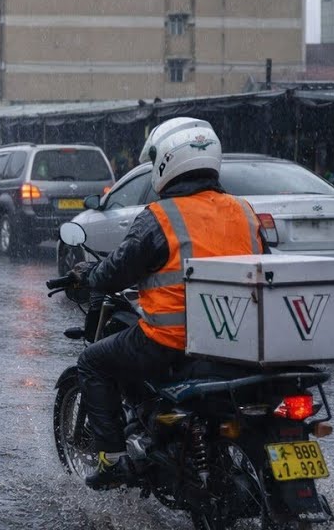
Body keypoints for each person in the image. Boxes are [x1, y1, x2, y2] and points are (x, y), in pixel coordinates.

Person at [74, 117, 264, 490]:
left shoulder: (162, 217)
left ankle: (112, 460)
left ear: (166, 163)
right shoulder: (244, 210)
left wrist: (88, 276)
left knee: (92, 362)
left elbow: (116, 272)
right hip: (238, 342)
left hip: (171, 342)